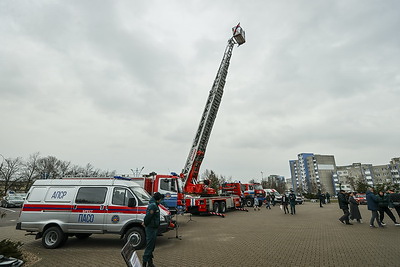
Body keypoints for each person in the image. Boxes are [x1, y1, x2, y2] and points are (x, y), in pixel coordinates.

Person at [143, 192, 163, 267]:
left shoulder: (155, 205)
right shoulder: (153, 206)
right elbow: (148, 217)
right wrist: (145, 223)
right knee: (149, 246)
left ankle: (150, 263)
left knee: (151, 246)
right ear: (158, 199)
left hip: (153, 228)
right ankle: (144, 263)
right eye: (160, 199)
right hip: (151, 228)